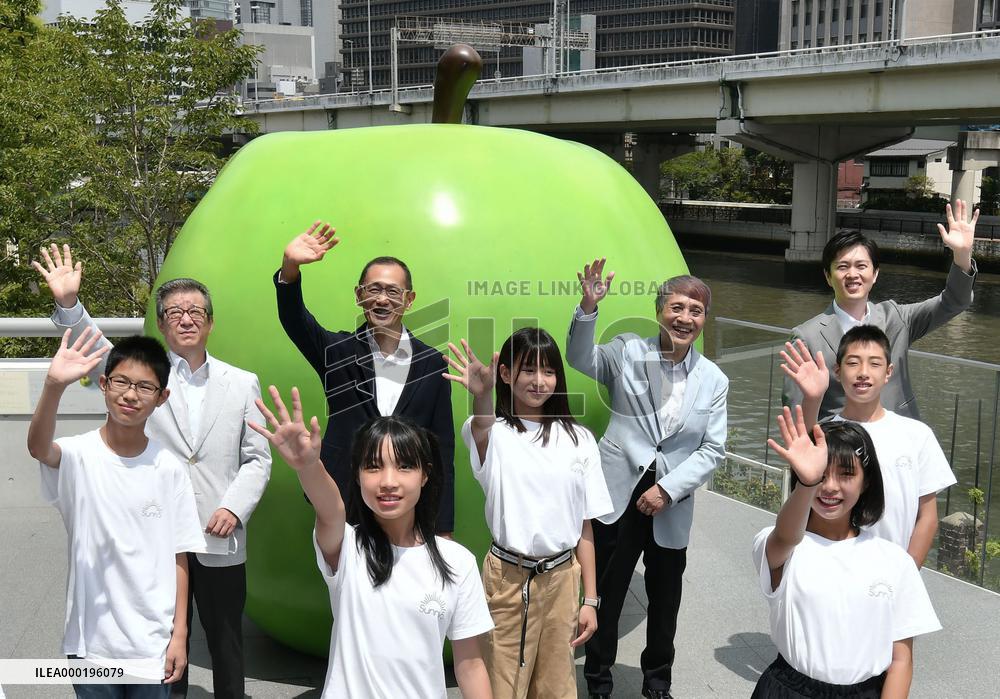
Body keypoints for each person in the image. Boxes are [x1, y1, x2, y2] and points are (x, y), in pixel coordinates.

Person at [33, 245, 272, 699]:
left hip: (220, 533)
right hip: (158, 535)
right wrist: (69, 303)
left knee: (227, 645)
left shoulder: (241, 382)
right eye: (175, 311)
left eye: (196, 310)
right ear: (161, 323)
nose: (187, 318)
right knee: (166, 646)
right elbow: (95, 345)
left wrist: (234, 508)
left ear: (210, 321)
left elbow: (257, 457)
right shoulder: (146, 376)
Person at [247, 387, 493, 698]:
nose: (388, 481)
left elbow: (470, 666)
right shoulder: (348, 548)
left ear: (425, 475)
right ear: (358, 475)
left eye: (404, 466)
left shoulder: (458, 562)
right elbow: (330, 508)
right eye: (374, 467)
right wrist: (308, 466)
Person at [568, 262, 729, 699]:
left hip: (671, 499)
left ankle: (657, 681)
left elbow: (712, 450)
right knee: (608, 592)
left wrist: (669, 489)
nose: (685, 318)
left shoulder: (714, 379)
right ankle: (598, 679)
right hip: (619, 491)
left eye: (696, 310)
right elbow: (580, 358)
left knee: (665, 600)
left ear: (704, 320)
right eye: (677, 307)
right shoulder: (626, 351)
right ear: (659, 311)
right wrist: (588, 306)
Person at [27, 330, 207, 697]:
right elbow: (39, 447)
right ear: (105, 384)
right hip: (91, 643)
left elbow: (180, 555)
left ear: (162, 398)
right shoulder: (79, 455)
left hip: (152, 644)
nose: (130, 394)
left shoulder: (169, 468)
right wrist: (53, 386)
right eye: (122, 381)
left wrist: (180, 635)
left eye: (145, 387)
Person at [444, 328, 613, 698]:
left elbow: (584, 526)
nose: (540, 381)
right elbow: (483, 425)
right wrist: (483, 395)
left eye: (549, 371)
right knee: (501, 682)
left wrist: (591, 599)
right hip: (507, 578)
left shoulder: (579, 438)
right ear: (506, 374)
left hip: (563, 578)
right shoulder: (493, 432)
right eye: (528, 370)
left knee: (556, 686)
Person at [274, 221, 455, 534]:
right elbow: (295, 320)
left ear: (409, 299)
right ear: (359, 295)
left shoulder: (433, 363)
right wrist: (290, 269)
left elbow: (441, 449)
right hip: (344, 498)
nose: (382, 300)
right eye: (374, 290)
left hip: (407, 504)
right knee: (347, 581)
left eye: (392, 292)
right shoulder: (337, 351)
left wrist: (442, 526)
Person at [752, 406, 941, 698]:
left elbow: (901, 660)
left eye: (846, 474)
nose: (830, 487)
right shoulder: (781, 547)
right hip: (788, 689)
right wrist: (806, 483)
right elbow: (786, 536)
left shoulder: (894, 561)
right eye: (821, 476)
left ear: (866, 482)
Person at [783, 199, 979, 422]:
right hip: (842, 448)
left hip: (900, 441)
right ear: (828, 276)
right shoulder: (806, 337)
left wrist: (962, 255)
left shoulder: (897, 318)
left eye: (861, 266)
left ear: (875, 274)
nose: (852, 274)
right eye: (842, 266)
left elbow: (955, 301)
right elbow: (794, 416)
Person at [780, 327, 956, 567]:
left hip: (893, 571)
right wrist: (813, 398)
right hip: (833, 564)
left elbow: (928, 516)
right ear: (838, 372)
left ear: (888, 372)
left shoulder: (917, 435)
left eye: (874, 364)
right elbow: (805, 468)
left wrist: (907, 573)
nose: (863, 373)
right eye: (853, 363)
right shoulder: (828, 433)